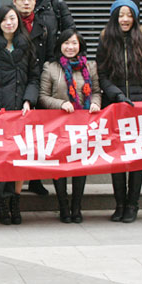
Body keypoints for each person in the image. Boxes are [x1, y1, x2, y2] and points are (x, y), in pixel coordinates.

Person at [96, 0, 142, 223]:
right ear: (114, 18)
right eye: (121, 15)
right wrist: (116, 95)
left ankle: (133, 204)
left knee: (137, 158)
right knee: (117, 157)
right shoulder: (105, 41)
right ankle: (119, 204)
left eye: (129, 15)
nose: (125, 19)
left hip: (139, 107)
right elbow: (102, 75)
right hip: (115, 106)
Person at [0, 5, 39, 225]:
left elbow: (34, 78)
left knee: (20, 158)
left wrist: (28, 100)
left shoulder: (27, 45)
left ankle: (16, 201)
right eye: (4, 19)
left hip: (21, 111)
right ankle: (2, 202)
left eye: (12, 18)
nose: (9, 23)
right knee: (2, 159)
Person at [39, 29, 101, 223]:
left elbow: (96, 91)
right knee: (60, 167)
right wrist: (60, 104)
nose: (70, 47)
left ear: (80, 45)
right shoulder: (50, 67)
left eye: (74, 43)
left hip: (82, 125)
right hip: (58, 125)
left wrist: (95, 103)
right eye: (66, 43)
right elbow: (43, 96)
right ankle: (63, 206)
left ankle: (77, 207)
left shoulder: (90, 66)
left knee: (80, 166)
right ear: (60, 46)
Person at [12, 0, 54, 197]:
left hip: (39, 80)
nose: (26, 3)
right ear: (14, 2)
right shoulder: (9, 23)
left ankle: (36, 179)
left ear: (35, 2)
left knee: (37, 134)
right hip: (15, 82)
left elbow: (51, 53)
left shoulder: (44, 25)